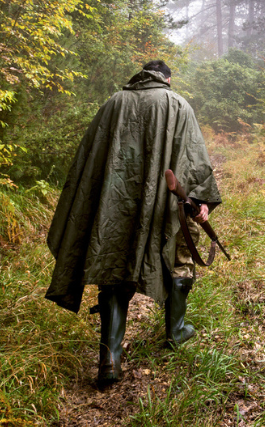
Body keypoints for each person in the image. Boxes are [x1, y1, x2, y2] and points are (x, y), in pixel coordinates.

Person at [44, 60, 222, 386]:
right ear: (167, 79)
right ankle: (176, 332)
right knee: (179, 259)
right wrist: (201, 201)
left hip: (115, 205)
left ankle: (109, 358)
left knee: (113, 267)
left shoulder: (114, 103)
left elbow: (90, 159)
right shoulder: (177, 104)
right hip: (163, 208)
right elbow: (194, 159)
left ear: (142, 75)